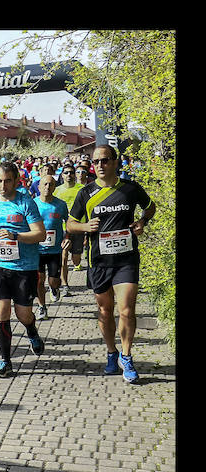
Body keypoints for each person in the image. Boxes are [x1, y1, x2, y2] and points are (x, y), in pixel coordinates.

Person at [66, 145, 156, 384]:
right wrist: (85, 227)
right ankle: (111, 352)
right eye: (95, 162)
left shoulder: (130, 189)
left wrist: (142, 221)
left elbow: (150, 207)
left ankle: (126, 356)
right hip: (99, 261)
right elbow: (70, 224)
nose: (99, 165)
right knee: (105, 312)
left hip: (126, 259)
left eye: (105, 160)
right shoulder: (86, 193)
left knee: (126, 310)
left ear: (116, 162)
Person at [0, 162, 47, 378]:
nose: (3, 185)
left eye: (7, 181)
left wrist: (16, 236)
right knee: (2, 312)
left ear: (16, 181)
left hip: (25, 267)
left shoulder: (26, 203)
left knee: (23, 314)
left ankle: (31, 330)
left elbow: (39, 234)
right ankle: (5, 361)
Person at [33, 172, 70, 321]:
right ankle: (42, 307)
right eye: (45, 184)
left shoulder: (60, 205)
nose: (48, 187)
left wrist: (67, 236)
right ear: (39, 187)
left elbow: (69, 223)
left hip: (55, 249)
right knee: (39, 279)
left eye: (51, 184)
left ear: (55, 187)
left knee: (53, 281)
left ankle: (54, 288)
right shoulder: (33, 204)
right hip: (37, 249)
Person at [53, 163, 86, 288]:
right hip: (61, 228)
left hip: (78, 227)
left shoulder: (82, 189)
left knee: (76, 258)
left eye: (71, 172)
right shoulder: (57, 190)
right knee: (63, 257)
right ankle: (65, 284)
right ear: (62, 175)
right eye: (66, 173)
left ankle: (77, 263)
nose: (69, 175)